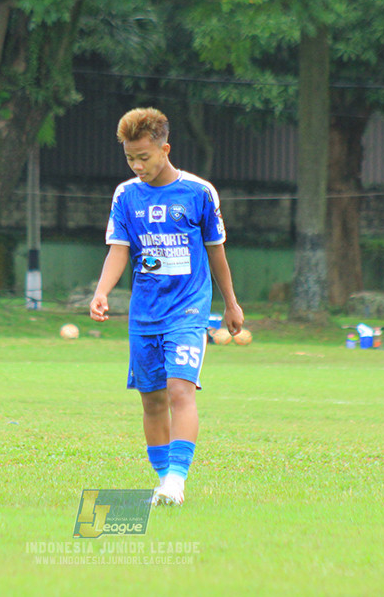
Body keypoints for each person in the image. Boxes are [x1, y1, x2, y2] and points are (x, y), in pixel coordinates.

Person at [89, 107, 243, 506]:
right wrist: (102, 291)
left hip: (188, 309)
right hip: (145, 312)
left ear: (165, 149)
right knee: (152, 399)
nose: (137, 165)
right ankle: (164, 485)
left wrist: (231, 303)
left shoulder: (198, 192)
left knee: (180, 391)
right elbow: (118, 251)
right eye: (129, 158)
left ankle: (176, 480)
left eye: (144, 156)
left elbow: (216, 252)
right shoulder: (125, 195)